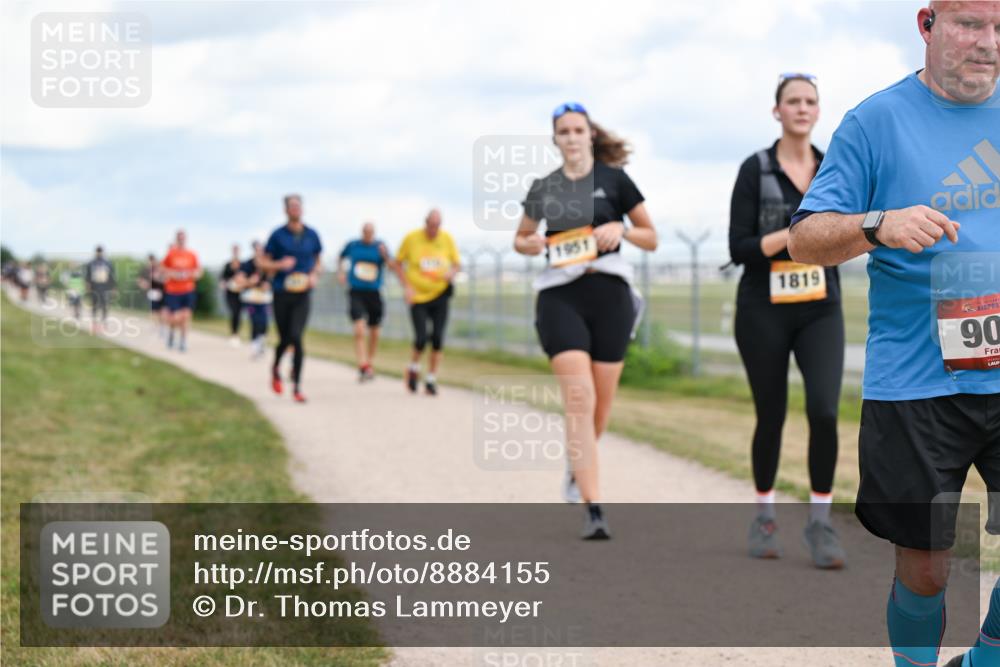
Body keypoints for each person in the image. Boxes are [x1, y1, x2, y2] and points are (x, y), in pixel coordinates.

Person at [787, 3, 999, 665]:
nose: (988, 42)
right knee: (928, 568)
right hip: (916, 382)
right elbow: (804, 239)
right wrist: (877, 224)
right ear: (927, 24)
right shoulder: (876, 121)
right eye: (970, 23)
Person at [514, 102, 657, 539]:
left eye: (578, 129)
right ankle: (595, 508)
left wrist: (623, 231)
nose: (572, 137)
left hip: (610, 294)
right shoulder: (544, 187)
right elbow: (519, 239)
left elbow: (651, 237)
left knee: (600, 406)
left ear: (590, 135)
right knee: (579, 399)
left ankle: (578, 464)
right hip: (560, 296)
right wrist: (532, 243)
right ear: (555, 139)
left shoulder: (615, 181)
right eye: (563, 131)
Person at [728, 74, 846, 569]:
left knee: (823, 410)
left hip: (821, 305)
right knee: (771, 415)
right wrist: (793, 236)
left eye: (810, 101)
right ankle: (765, 518)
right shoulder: (754, 169)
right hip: (763, 307)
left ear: (818, 111)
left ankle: (820, 524)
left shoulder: (832, 168)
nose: (802, 108)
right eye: (792, 101)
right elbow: (740, 249)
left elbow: (844, 233)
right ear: (776, 111)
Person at [259, 194, 323, 403]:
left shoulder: (312, 235)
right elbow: (263, 264)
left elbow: (318, 262)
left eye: (298, 206)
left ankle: (297, 387)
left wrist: (314, 275)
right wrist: (279, 265)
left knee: (297, 336)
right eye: (291, 206)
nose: (295, 209)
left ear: (302, 209)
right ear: (286, 210)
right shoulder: (277, 235)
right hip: (281, 293)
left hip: (302, 294)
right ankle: (276, 367)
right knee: (285, 338)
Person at [393, 209, 461, 396]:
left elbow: (456, 263)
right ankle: (413, 368)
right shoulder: (412, 238)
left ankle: (431, 378)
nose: (434, 230)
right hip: (418, 296)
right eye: (431, 226)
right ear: (425, 223)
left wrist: (451, 273)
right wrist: (406, 286)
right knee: (421, 338)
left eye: (437, 226)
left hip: (440, 294)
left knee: (438, 338)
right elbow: (397, 263)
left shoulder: (446, 239)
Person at [338, 222, 392, 382]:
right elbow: (341, 257)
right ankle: (362, 364)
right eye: (365, 232)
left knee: (374, 331)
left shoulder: (380, 247)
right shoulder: (353, 245)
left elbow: (391, 265)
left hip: (374, 292)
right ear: (362, 232)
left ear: (374, 233)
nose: (368, 234)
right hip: (356, 291)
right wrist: (341, 272)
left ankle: (370, 362)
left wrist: (385, 256)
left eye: (371, 232)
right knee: (359, 328)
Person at [161, 230, 202, 352]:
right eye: (179, 238)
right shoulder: (171, 254)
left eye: (183, 238)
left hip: (188, 289)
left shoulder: (192, 254)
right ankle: (172, 332)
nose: (181, 240)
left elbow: (198, 271)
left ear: (186, 239)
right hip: (173, 290)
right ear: (176, 239)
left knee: (186, 315)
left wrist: (193, 274)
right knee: (175, 318)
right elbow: (162, 268)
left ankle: (183, 341)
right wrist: (173, 274)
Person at [239, 240, 272, 359]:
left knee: (264, 323)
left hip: (264, 299)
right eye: (257, 250)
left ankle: (261, 344)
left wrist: (268, 285)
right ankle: (254, 348)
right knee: (255, 322)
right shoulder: (247, 264)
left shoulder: (268, 264)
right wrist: (249, 282)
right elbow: (240, 281)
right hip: (251, 298)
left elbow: (272, 280)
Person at [84, 246, 116, 327]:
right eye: (98, 251)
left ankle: (104, 320)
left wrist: (113, 287)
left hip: (105, 287)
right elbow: (87, 276)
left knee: (105, 304)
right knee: (94, 304)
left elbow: (112, 276)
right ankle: (94, 321)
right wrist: (87, 286)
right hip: (94, 286)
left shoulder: (108, 263)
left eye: (100, 251)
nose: (99, 253)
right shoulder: (91, 263)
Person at [220, 244, 245, 347]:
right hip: (230, 293)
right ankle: (233, 333)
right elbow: (222, 279)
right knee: (234, 311)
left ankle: (236, 334)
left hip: (241, 293)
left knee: (239, 313)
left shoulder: (243, 265)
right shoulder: (227, 265)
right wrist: (224, 284)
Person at [137, 254, 167, 337]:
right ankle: (155, 326)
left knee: (161, 310)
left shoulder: (159, 269)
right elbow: (139, 280)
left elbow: (164, 278)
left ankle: (161, 327)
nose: (151, 262)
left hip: (160, 291)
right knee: (153, 310)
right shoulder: (145, 270)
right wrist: (143, 284)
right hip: (152, 292)